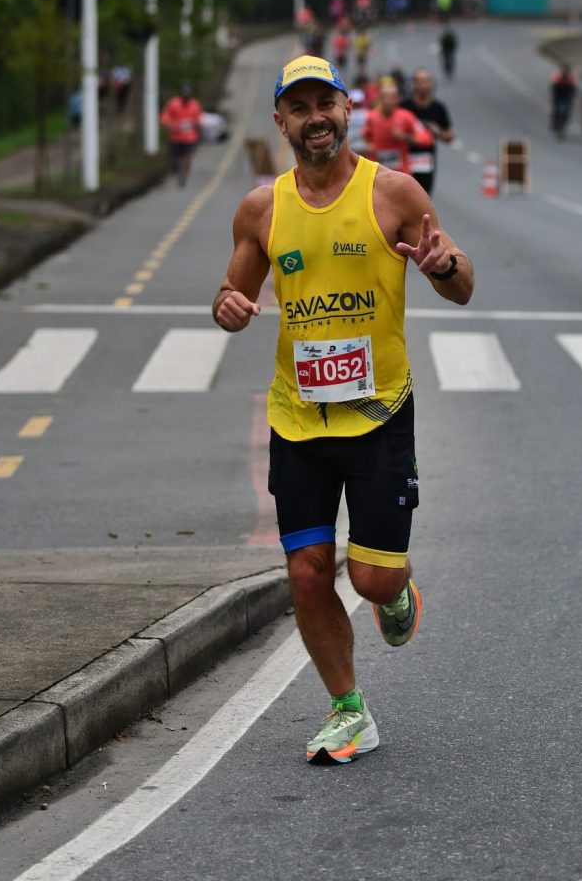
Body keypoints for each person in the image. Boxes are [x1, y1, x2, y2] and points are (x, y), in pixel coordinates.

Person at [211, 55, 474, 763]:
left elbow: (461, 285)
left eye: (323, 102)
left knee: (370, 576)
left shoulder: (393, 194)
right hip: (297, 418)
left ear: (346, 107)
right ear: (281, 122)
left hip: (379, 413)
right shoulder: (262, 209)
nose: (314, 117)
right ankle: (348, 710)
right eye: (298, 107)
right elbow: (228, 297)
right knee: (304, 570)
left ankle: (395, 593)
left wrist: (444, 268)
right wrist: (228, 308)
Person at [401, 68, 454, 197]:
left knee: (424, 199)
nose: (424, 85)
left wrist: (438, 132)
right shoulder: (404, 106)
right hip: (404, 159)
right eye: (420, 81)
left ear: (431, 84)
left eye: (427, 81)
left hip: (426, 160)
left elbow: (450, 136)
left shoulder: (438, 108)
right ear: (414, 84)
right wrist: (407, 137)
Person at [363, 80, 434, 176]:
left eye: (392, 98)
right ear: (379, 98)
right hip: (377, 173)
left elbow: (427, 138)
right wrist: (367, 146)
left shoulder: (407, 117)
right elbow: (363, 138)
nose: (387, 101)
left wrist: (405, 137)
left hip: (401, 174)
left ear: (398, 99)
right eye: (384, 97)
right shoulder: (371, 117)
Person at [160, 83, 203, 186]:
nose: (186, 97)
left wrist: (195, 124)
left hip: (189, 137)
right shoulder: (173, 103)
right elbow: (165, 116)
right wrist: (171, 124)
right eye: (184, 94)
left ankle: (184, 176)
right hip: (175, 137)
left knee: (187, 158)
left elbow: (198, 118)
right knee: (174, 157)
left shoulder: (195, 105)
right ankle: (174, 167)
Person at [550, 64, 576, 138]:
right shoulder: (557, 76)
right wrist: (553, 97)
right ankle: (555, 124)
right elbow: (554, 88)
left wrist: (573, 99)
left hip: (566, 96)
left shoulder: (571, 78)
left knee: (566, 112)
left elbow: (573, 90)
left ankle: (563, 126)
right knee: (556, 110)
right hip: (558, 95)